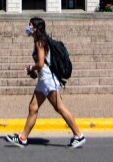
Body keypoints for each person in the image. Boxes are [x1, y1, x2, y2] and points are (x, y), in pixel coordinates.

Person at [5, 17, 85, 149]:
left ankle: (79, 135)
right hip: (43, 81)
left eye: (30, 25)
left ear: (36, 28)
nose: (28, 27)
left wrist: (31, 68)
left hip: (48, 81)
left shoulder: (40, 42)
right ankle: (22, 138)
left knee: (60, 108)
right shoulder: (40, 40)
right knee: (33, 107)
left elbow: (41, 63)